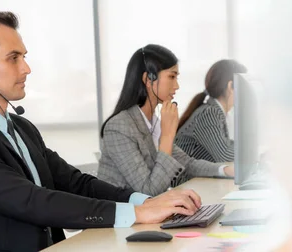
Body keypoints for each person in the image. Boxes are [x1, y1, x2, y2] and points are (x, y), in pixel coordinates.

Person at [0, 12, 202, 252]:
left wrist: (147, 201)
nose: (26, 68)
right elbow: (31, 201)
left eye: (24, 57)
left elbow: (76, 182)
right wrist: (136, 213)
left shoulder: (21, 127)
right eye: (13, 58)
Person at [97, 44, 234, 196]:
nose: (177, 86)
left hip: (150, 212)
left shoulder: (152, 122)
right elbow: (148, 191)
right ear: (148, 79)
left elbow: (187, 163)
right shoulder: (119, 127)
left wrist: (225, 170)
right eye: (171, 76)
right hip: (127, 217)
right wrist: (167, 136)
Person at [175, 59, 247, 162]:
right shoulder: (209, 113)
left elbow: (226, 145)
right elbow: (225, 155)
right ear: (230, 86)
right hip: (188, 178)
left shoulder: (214, 111)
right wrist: (254, 152)